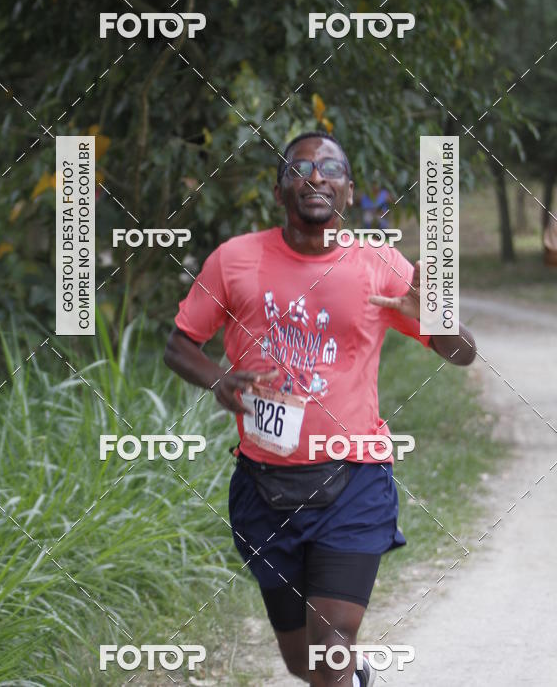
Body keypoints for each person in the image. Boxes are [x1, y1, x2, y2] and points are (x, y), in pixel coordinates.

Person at [164, 131, 476, 686]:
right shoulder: (234, 261)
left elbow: (463, 354)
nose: (315, 176)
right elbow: (180, 344)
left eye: (330, 167)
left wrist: (437, 312)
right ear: (280, 189)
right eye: (300, 167)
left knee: (330, 646)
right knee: (302, 663)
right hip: (263, 487)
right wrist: (218, 381)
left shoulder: (379, 264)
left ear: (349, 192)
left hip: (353, 478)